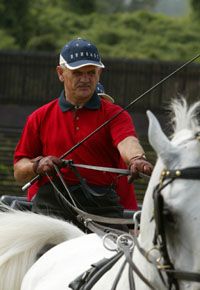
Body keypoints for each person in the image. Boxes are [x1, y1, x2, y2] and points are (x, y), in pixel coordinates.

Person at [13, 37, 153, 231]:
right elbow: (19, 171)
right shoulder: (39, 117)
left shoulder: (115, 114)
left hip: (102, 206)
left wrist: (137, 158)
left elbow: (127, 140)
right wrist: (38, 165)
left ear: (99, 73)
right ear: (61, 73)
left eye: (91, 73)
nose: (85, 79)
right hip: (51, 205)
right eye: (77, 73)